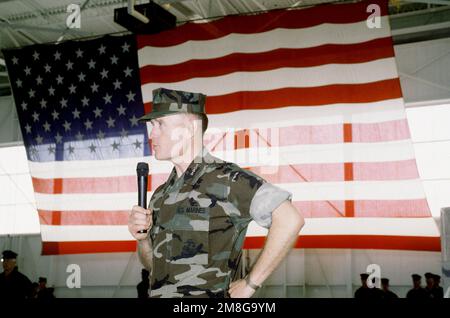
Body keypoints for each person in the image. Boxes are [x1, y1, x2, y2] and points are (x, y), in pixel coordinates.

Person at [128, 88, 305, 298]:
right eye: (152, 125)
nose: (152, 133)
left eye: (160, 124)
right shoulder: (160, 195)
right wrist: (143, 239)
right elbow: (153, 266)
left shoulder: (228, 179)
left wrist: (251, 282)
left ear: (190, 129)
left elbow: (290, 220)